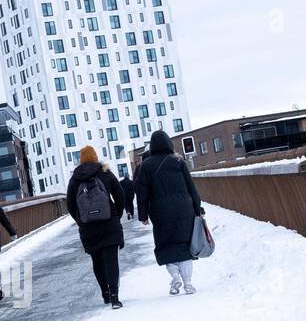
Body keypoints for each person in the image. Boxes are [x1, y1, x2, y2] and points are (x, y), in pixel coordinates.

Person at [134, 130, 204, 296]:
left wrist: (143, 215)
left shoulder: (145, 165)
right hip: (184, 209)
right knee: (185, 246)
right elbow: (191, 187)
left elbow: (141, 192)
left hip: (160, 212)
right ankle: (188, 283)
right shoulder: (178, 161)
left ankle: (174, 277)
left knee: (167, 246)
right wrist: (198, 208)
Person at [65, 146, 126, 309]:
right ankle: (114, 297)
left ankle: (105, 294)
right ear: (95, 157)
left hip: (88, 228)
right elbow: (120, 194)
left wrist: (81, 220)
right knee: (111, 261)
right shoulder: (105, 172)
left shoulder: (75, 178)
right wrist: (116, 215)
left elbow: (70, 204)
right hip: (108, 224)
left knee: (97, 261)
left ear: (81, 159)